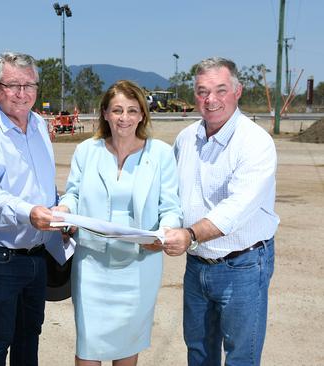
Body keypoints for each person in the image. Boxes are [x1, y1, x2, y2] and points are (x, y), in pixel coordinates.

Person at [56, 80, 182, 366]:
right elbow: (73, 194)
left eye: (132, 110)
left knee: (127, 349)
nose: (124, 118)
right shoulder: (87, 151)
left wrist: (163, 234)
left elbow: (171, 207)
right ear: (104, 113)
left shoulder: (161, 154)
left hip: (138, 266)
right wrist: (64, 210)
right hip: (92, 266)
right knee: (87, 347)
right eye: (117, 110)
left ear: (142, 115)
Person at [163, 57, 279, 365]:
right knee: (199, 352)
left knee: (241, 356)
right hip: (197, 265)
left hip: (242, 265)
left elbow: (236, 209)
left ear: (237, 91)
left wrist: (188, 234)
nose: (211, 100)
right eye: (202, 91)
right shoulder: (186, 139)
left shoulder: (256, 143)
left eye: (220, 90)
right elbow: (172, 196)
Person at [0, 51, 62, 366]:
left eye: (29, 85)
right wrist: (30, 212)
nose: (22, 93)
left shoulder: (41, 127)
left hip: (38, 256)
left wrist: (59, 210)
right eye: (13, 85)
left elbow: (45, 184)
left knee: (29, 335)